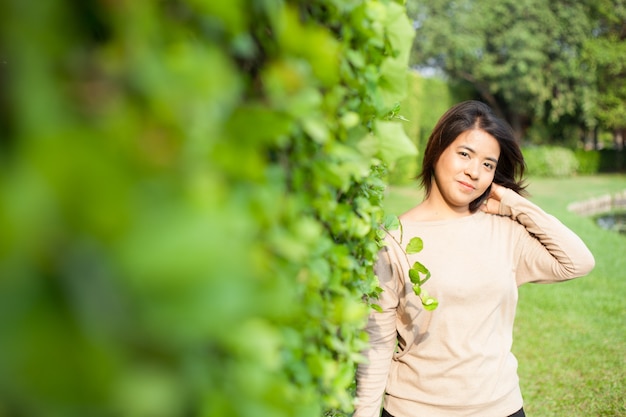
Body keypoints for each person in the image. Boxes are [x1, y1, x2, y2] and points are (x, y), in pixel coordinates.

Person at [354, 100, 595, 417]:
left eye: (488, 164)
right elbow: (378, 344)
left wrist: (512, 202)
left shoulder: (504, 231)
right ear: (438, 149)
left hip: (501, 406)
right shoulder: (392, 241)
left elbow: (577, 261)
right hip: (414, 410)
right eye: (464, 154)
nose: (473, 172)